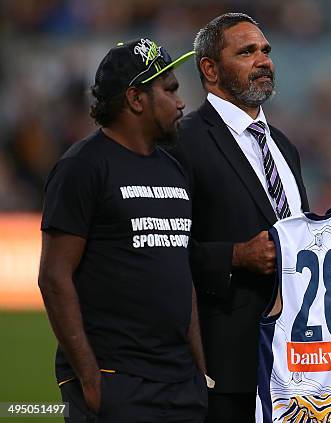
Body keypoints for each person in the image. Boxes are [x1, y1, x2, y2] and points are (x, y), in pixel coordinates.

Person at [38, 38, 208, 422]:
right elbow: (53, 276)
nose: (181, 103)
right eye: (170, 90)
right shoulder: (83, 167)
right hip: (118, 380)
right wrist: (91, 380)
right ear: (135, 99)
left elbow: (181, 274)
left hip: (180, 381)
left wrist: (200, 368)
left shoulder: (174, 168)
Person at [171, 13, 309, 423]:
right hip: (227, 363)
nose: (263, 60)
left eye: (265, 50)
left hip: (297, 363)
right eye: (246, 51)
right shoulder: (182, 141)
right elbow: (162, 250)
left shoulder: (284, 147)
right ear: (210, 69)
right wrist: (233, 256)